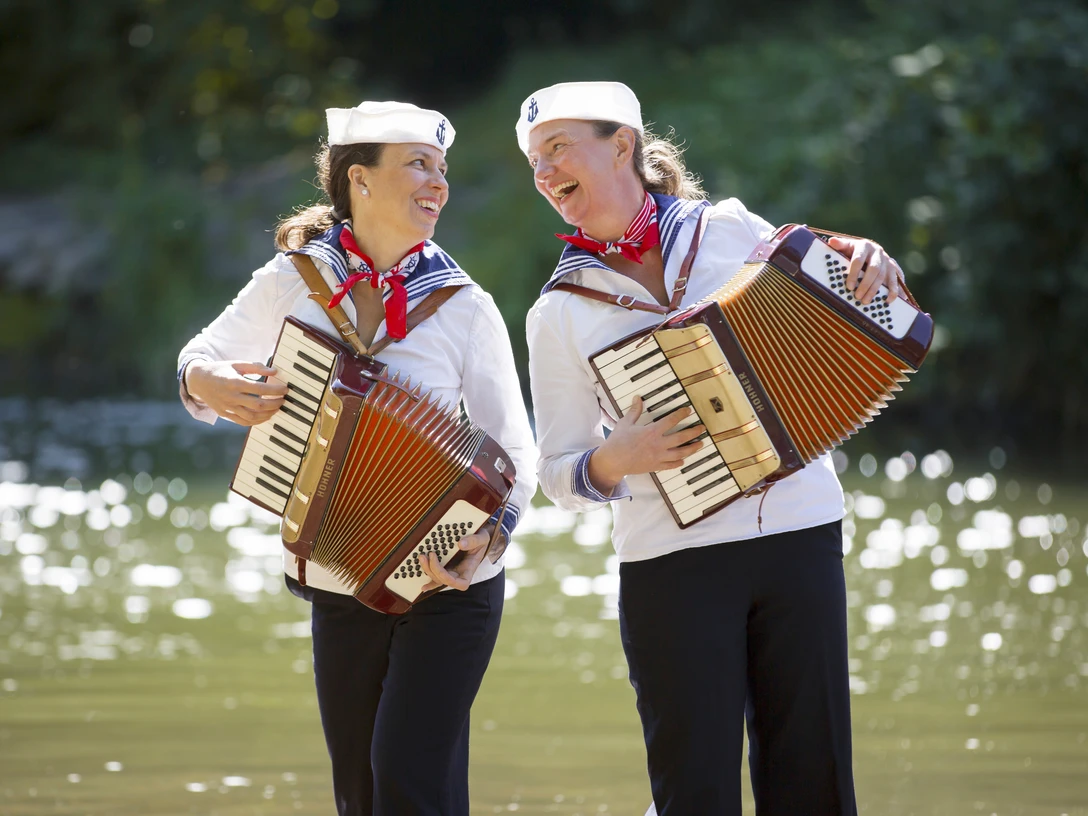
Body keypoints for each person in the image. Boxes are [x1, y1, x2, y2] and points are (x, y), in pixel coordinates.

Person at [517, 81, 907, 815]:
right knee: (692, 790)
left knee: (815, 781)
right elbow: (556, 474)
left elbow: (830, 282)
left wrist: (869, 260)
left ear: (623, 145)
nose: (544, 171)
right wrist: (613, 459)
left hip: (800, 529)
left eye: (558, 148)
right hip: (670, 562)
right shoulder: (556, 313)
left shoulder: (726, 228)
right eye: (535, 161)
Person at [177, 101, 537, 816]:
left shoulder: (464, 305)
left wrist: (491, 534)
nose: (437, 183)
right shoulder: (292, 280)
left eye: (441, 169)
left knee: (409, 777)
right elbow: (200, 360)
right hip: (338, 574)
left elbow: (516, 450)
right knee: (362, 792)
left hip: (450, 583)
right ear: (359, 180)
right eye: (417, 165)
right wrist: (206, 383)